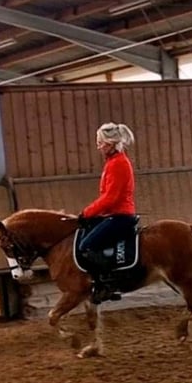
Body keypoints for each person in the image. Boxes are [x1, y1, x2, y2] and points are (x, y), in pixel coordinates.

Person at [77, 122, 137, 302]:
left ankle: (110, 283)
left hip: (121, 216)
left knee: (86, 246)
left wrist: (86, 213)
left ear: (110, 144)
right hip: (112, 214)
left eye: (100, 143)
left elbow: (110, 198)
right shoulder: (112, 162)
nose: (98, 146)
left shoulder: (118, 164)